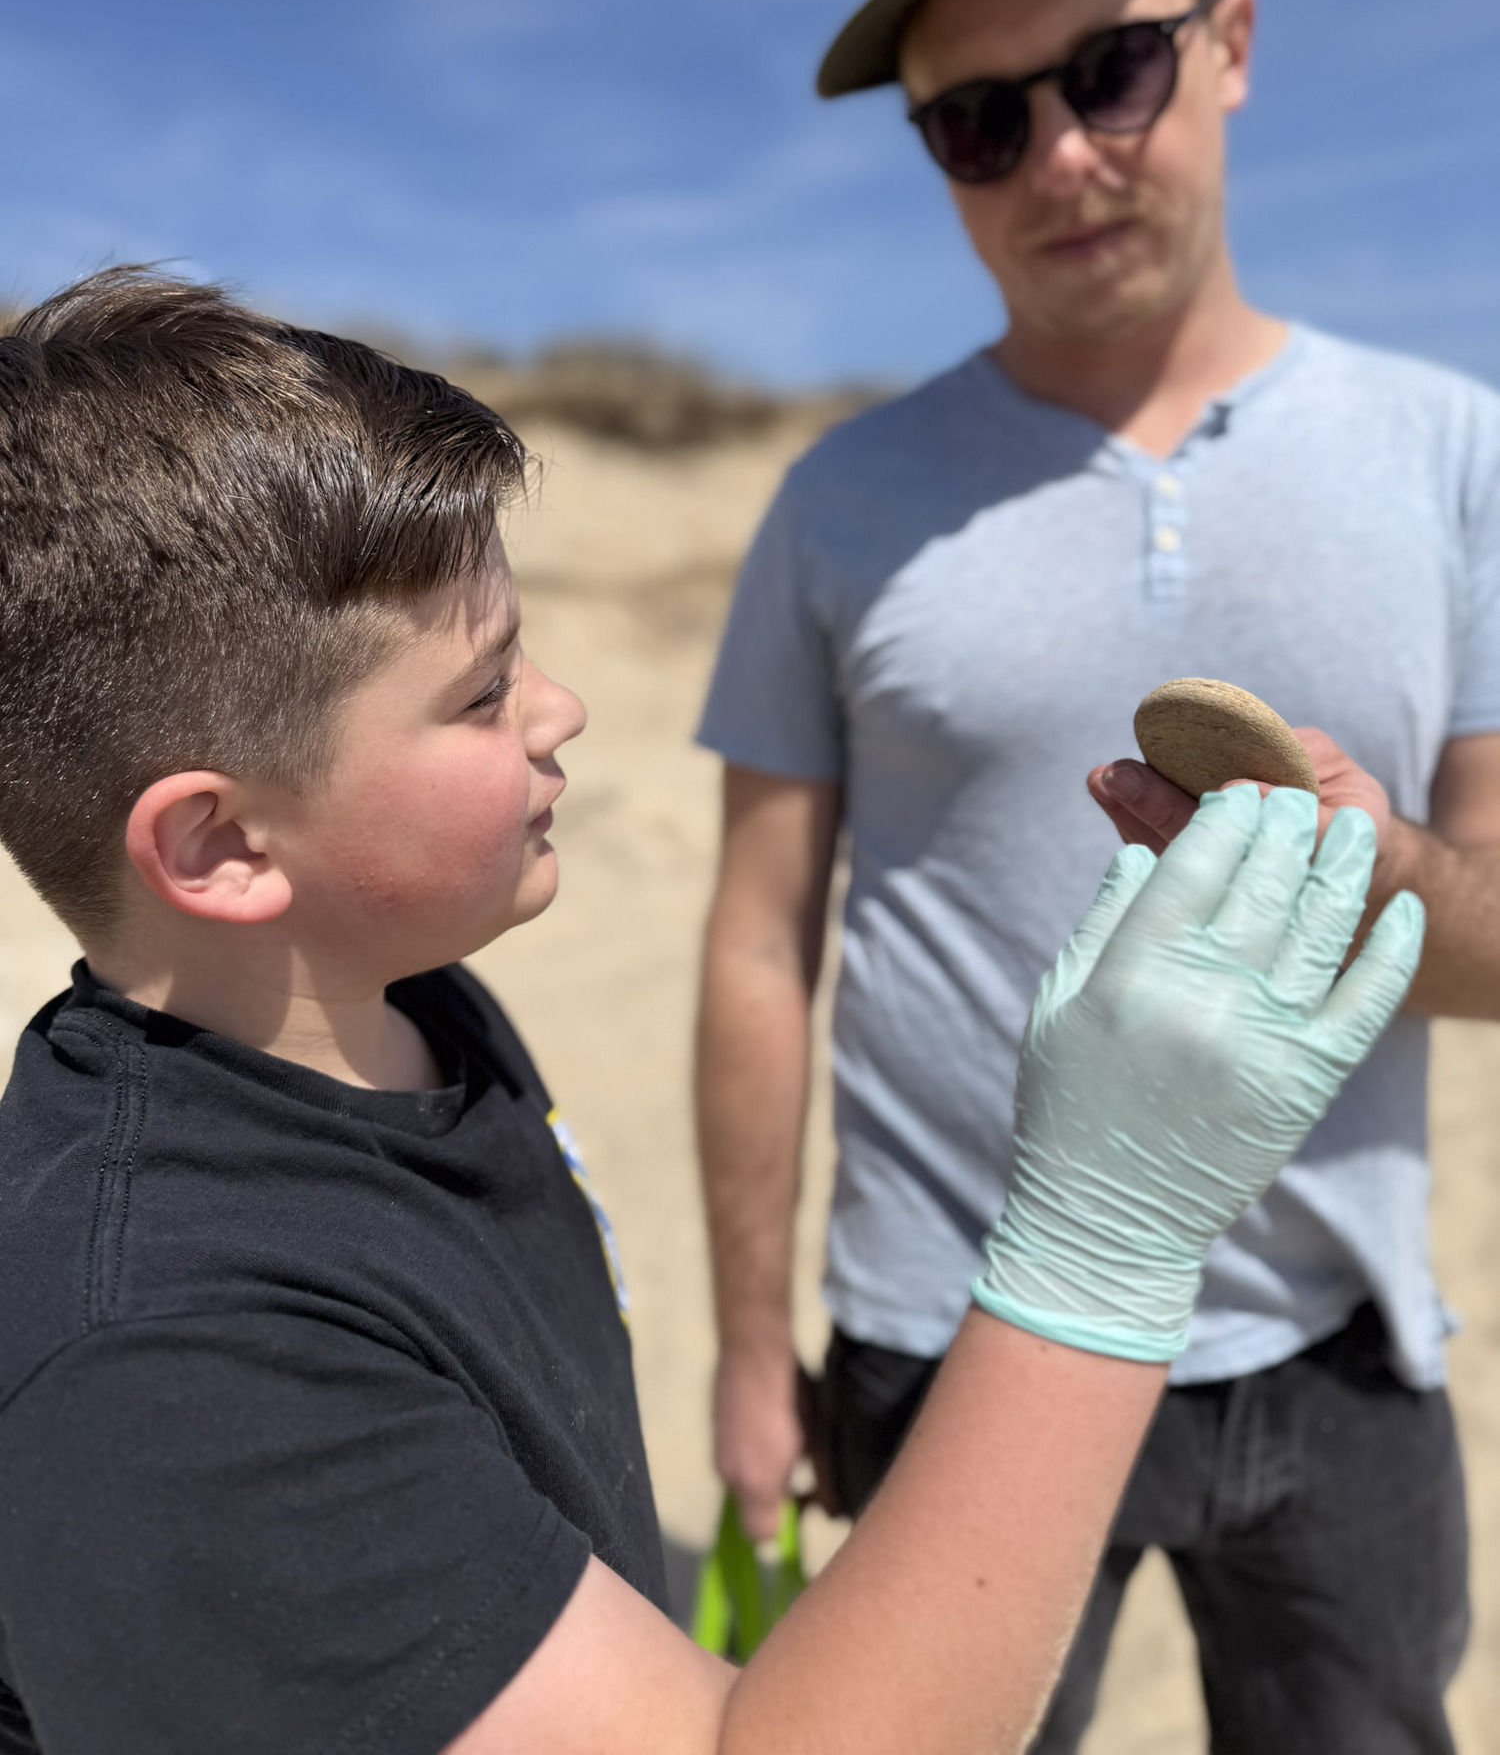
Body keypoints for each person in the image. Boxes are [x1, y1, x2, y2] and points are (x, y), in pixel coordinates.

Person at [0, 267, 1423, 1755]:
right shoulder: (172, 1376)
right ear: (222, 849)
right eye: (481, 698)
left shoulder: (406, 1011)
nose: (561, 709)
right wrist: (1110, 1232)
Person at [694, 0, 1500, 1754]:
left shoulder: (1447, 452)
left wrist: (1370, 860)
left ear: (1229, 45)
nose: (1058, 154)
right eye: (979, 118)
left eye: (1113, 71)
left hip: (1336, 1343)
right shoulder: (840, 501)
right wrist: (744, 1356)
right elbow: (757, 944)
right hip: (944, 1331)